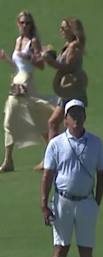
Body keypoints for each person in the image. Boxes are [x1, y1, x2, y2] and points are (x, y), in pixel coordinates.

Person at [40, 100, 103, 257]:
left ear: (84, 116)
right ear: (65, 119)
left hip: (86, 201)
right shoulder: (56, 143)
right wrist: (44, 202)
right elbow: (48, 175)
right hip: (62, 201)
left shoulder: (95, 142)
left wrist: (97, 201)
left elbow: (102, 172)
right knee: (61, 247)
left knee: (86, 248)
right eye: (72, 114)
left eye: (79, 113)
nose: (76, 117)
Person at [1, 10, 54, 172]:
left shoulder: (34, 41)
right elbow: (19, 66)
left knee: (38, 120)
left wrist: (30, 57)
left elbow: (41, 65)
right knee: (9, 121)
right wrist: (6, 59)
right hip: (17, 83)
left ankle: (50, 156)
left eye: (28, 23)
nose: (25, 25)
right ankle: (8, 160)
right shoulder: (18, 41)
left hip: (27, 84)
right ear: (18, 24)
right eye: (22, 22)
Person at [40, 17, 87, 143]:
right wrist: (51, 55)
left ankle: (76, 154)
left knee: (72, 125)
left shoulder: (74, 47)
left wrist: (50, 61)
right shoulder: (67, 46)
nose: (60, 29)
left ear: (71, 30)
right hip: (66, 91)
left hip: (72, 90)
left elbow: (68, 68)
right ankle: (51, 157)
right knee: (54, 123)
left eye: (64, 27)